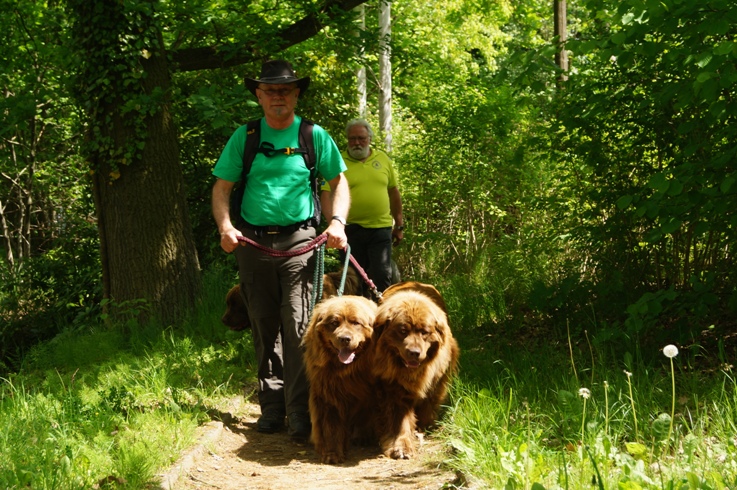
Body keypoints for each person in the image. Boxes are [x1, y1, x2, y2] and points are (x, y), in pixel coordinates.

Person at [211, 60, 350, 443]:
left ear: (296, 94)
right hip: (252, 244)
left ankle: (300, 412)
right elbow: (222, 188)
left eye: (285, 90)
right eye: (270, 90)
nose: (278, 96)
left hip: (300, 242)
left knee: (298, 325)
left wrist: (336, 222)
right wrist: (226, 227)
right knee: (263, 324)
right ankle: (271, 409)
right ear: (258, 95)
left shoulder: (313, 135)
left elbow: (337, 182)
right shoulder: (246, 136)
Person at [321, 118, 403, 296]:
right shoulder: (338, 161)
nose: (356, 142)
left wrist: (399, 224)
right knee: (352, 279)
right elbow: (326, 194)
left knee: (382, 275)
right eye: (352, 138)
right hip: (350, 230)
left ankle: (380, 316)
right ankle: (355, 319)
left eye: (361, 138)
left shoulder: (382, 159)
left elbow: (393, 192)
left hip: (380, 228)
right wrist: (334, 225)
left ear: (370, 139)